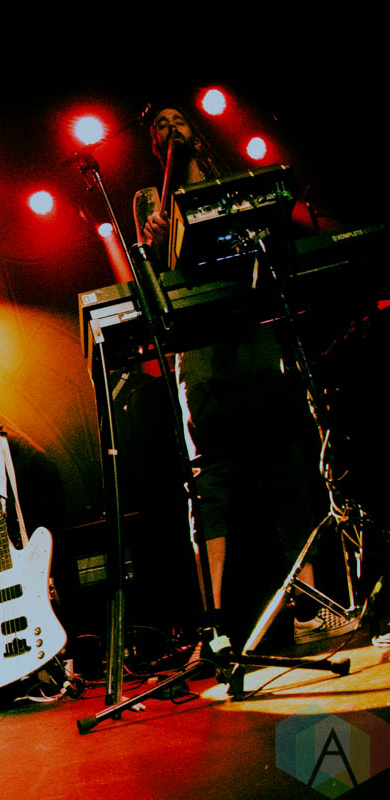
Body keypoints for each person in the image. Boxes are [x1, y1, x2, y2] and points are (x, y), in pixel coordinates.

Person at [133, 106, 359, 646]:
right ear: (154, 144)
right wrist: (154, 235)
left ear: (196, 132)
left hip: (255, 342)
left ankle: (309, 610)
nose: (171, 127)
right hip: (202, 354)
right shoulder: (150, 200)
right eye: (160, 124)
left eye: (178, 119)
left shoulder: (230, 183)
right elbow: (159, 272)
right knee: (212, 483)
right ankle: (214, 625)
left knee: (288, 472)